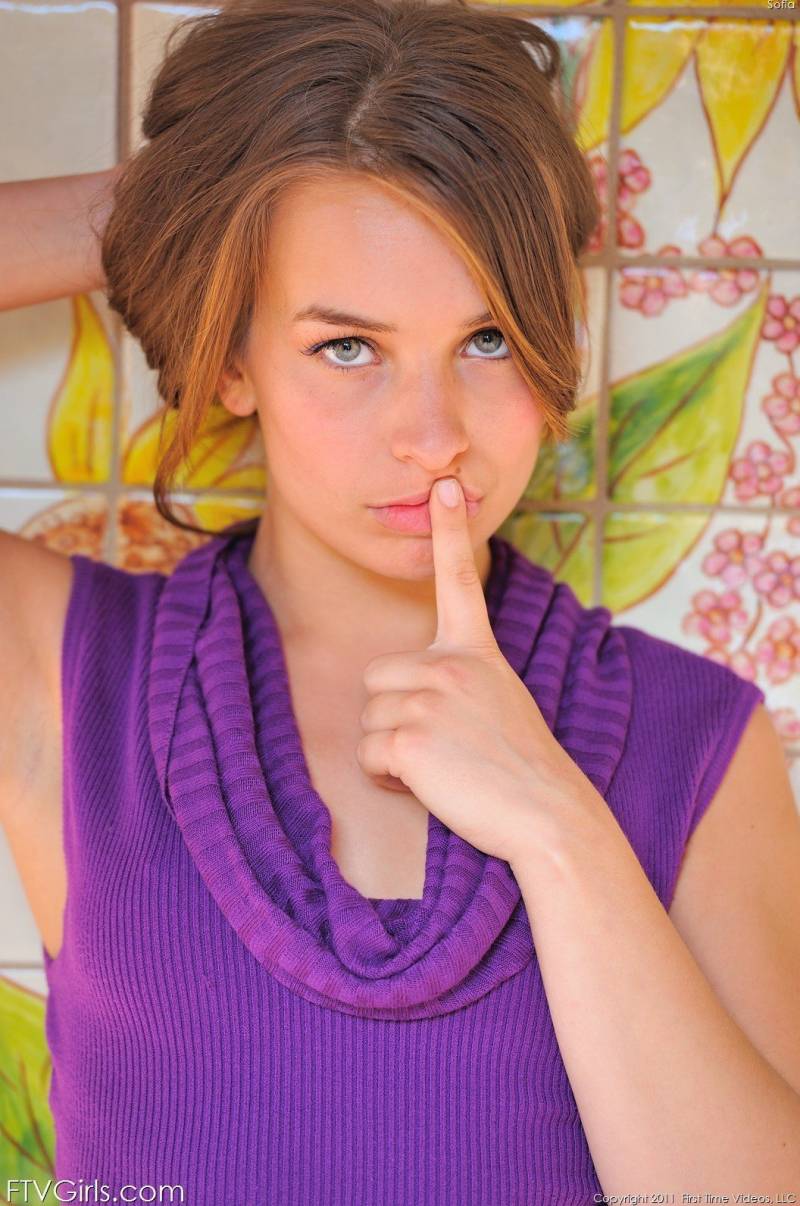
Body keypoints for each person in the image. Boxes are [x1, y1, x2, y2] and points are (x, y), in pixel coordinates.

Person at [1, 0, 799, 1201]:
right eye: (346, 347)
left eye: (487, 339)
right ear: (232, 358)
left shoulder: (698, 740)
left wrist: (558, 829)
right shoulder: (66, 679)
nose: (432, 437)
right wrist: (167, 209)